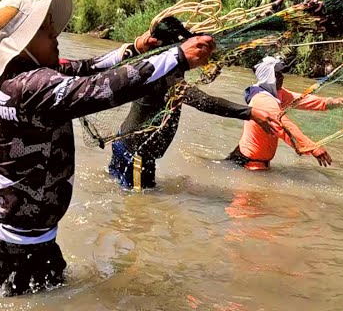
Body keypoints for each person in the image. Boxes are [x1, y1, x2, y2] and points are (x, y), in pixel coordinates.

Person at [0, 0, 217, 295]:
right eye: (46, 32)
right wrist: (177, 58)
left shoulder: (19, 72)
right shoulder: (32, 86)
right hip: (16, 243)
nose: (55, 37)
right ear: (23, 44)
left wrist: (134, 49)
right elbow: (101, 89)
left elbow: (87, 69)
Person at [105, 15, 278, 190]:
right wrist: (250, 113)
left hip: (127, 143)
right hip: (135, 154)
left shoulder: (156, 62)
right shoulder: (166, 73)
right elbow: (202, 101)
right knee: (137, 209)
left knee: (120, 192)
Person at [226, 56, 341, 170]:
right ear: (268, 76)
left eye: (281, 73)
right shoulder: (263, 100)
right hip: (247, 165)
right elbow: (284, 126)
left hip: (254, 162)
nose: (282, 77)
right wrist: (312, 148)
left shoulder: (276, 93)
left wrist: (328, 102)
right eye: (277, 74)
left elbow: (300, 99)